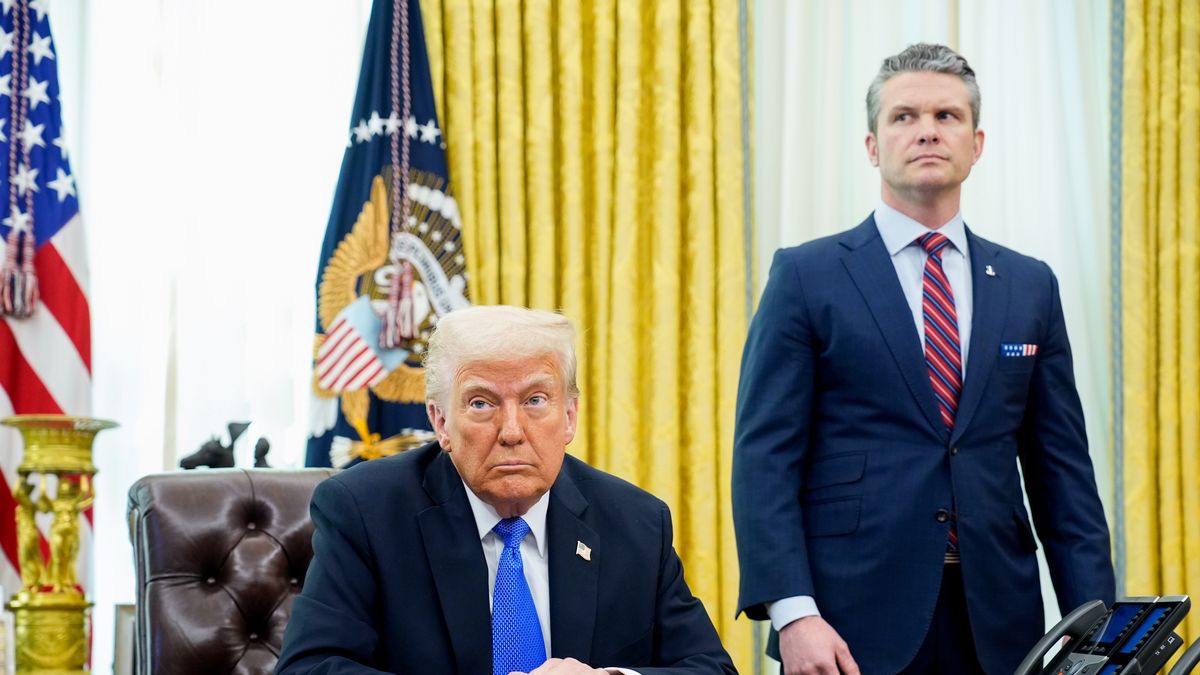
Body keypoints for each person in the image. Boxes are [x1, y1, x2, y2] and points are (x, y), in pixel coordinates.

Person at [731, 43, 1115, 675]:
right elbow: (764, 459)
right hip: (847, 624)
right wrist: (794, 612)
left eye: (947, 116)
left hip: (999, 622)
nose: (928, 131)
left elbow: (1062, 473)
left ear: (977, 142)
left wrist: (1096, 627)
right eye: (904, 116)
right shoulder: (807, 275)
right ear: (872, 146)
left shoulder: (1029, 285)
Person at [277, 305, 736, 675]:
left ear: (570, 416)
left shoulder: (635, 523)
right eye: (481, 403)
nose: (512, 430)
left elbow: (710, 668)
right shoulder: (366, 512)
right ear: (441, 422)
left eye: (536, 400)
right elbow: (310, 666)